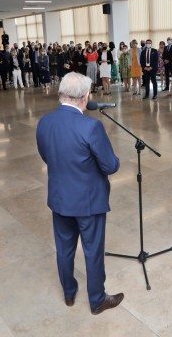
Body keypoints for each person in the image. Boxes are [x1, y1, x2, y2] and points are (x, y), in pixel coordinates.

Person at [36, 72, 124, 315]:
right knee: (92, 250)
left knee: (64, 248)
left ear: (62, 94)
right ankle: (97, 300)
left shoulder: (44, 122)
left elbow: (47, 156)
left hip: (59, 198)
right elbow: (110, 166)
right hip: (88, 202)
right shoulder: (91, 126)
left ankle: (68, 292)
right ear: (86, 97)